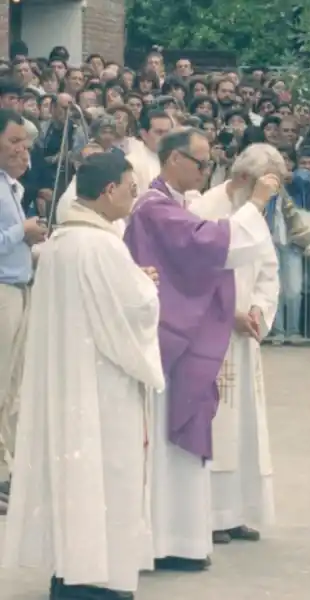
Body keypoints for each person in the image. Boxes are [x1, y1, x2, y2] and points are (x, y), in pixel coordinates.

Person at [2, 153, 164, 600]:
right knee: (107, 477)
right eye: (131, 189)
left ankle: (70, 573)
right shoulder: (103, 246)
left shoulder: (61, 242)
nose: (134, 197)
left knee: (74, 480)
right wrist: (147, 285)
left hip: (68, 381)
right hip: (103, 385)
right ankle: (100, 581)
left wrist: (133, 280)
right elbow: (133, 313)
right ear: (109, 190)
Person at [123, 128, 279, 572]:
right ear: (174, 159)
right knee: (175, 441)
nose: (206, 170)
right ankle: (171, 539)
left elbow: (258, 262)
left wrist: (256, 309)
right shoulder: (155, 207)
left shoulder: (171, 205)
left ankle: (183, 538)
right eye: (201, 162)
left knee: (196, 438)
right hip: (178, 338)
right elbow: (213, 248)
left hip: (195, 333)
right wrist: (258, 204)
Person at [189, 144, 283, 545]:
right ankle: (211, 515)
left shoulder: (254, 212)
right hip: (211, 335)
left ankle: (237, 511)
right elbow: (194, 275)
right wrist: (230, 315)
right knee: (217, 425)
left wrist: (259, 310)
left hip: (246, 337)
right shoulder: (205, 210)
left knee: (243, 427)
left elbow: (268, 269)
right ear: (244, 178)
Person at [0, 109, 45, 514]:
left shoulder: (12, 188)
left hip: (19, 288)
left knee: (12, 388)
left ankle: (5, 468)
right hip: (2, 291)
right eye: (14, 141)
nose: (22, 150)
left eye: (26, 143)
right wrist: (22, 231)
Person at [126, 108, 172, 194]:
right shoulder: (132, 163)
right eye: (159, 132)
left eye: (168, 133)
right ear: (144, 134)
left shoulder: (179, 159)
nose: (165, 138)